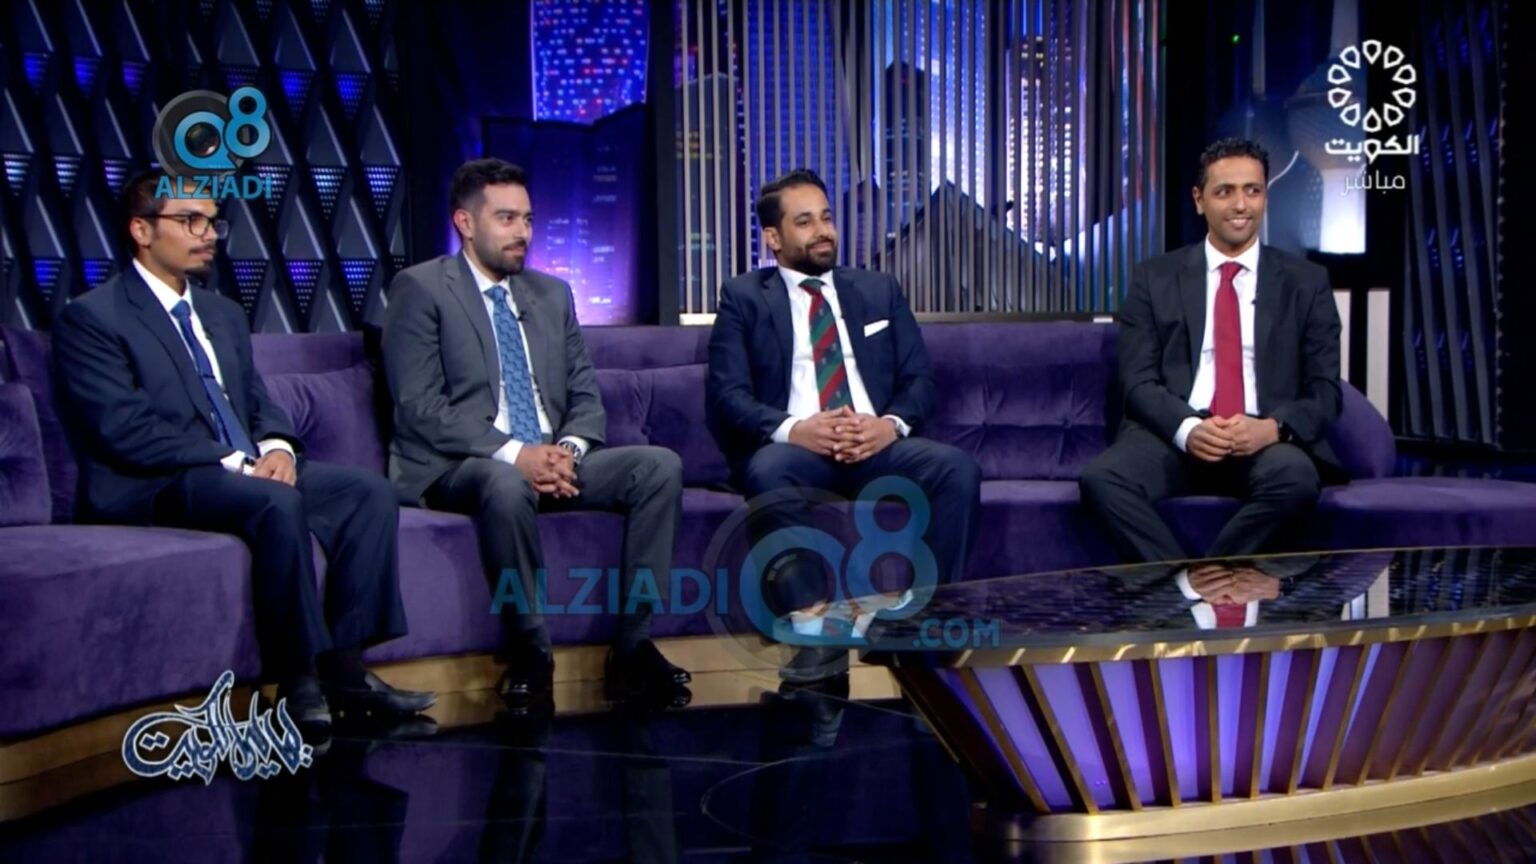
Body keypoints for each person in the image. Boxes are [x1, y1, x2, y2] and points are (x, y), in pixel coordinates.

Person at [52, 169, 434, 726]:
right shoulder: (93, 318)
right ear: (141, 229)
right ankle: (298, 678)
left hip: (240, 467)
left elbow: (256, 402)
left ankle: (347, 672)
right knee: (275, 501)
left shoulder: (223, 313)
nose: (208, 234)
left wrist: (277, 448)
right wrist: (236, 461)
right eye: (190, 221)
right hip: (155, 482)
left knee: (367, 494)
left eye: (212, 222)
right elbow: (123, 429)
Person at [382, 159, 689, 702]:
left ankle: (634, 646)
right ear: (465, 223)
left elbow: (585, 396)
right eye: (506, 218)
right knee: (505, 483)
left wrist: (565, 452)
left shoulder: (551, 294)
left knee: (658, 467)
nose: (522, 231)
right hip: (461, 464)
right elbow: (419, 407)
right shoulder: (421, 289)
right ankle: (530, 649)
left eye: (527, 219)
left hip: (549, 456)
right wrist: (516, 454)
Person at [706, 168, 981, 681]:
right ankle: (815, 630)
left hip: (876, 444)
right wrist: (796, 429)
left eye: (827, 218)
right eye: (805, 222)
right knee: (766, 470)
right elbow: (728, 396)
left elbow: (920, 381)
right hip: (800, 449)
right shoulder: (744, 297)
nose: (823, 231)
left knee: (956, 469)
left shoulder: (877, 290)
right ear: (774, 238)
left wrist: (889, 425)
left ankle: (923, 619)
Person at [1080, 138, 1344, 566]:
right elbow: (1137, 381)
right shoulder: (1154, 278)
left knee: (1296, 480)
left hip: (1261, 439)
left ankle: (1191, 588)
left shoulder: (1306, 283)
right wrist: (1188, 428)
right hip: (1176, 435)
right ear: (1199, 200)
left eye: (1252, 190)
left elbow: (1325, 392)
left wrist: (1273, 428)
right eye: (1225, 191)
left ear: (1265, 197)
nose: (1241, 205)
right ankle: (1192, 592)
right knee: (1102, 480)